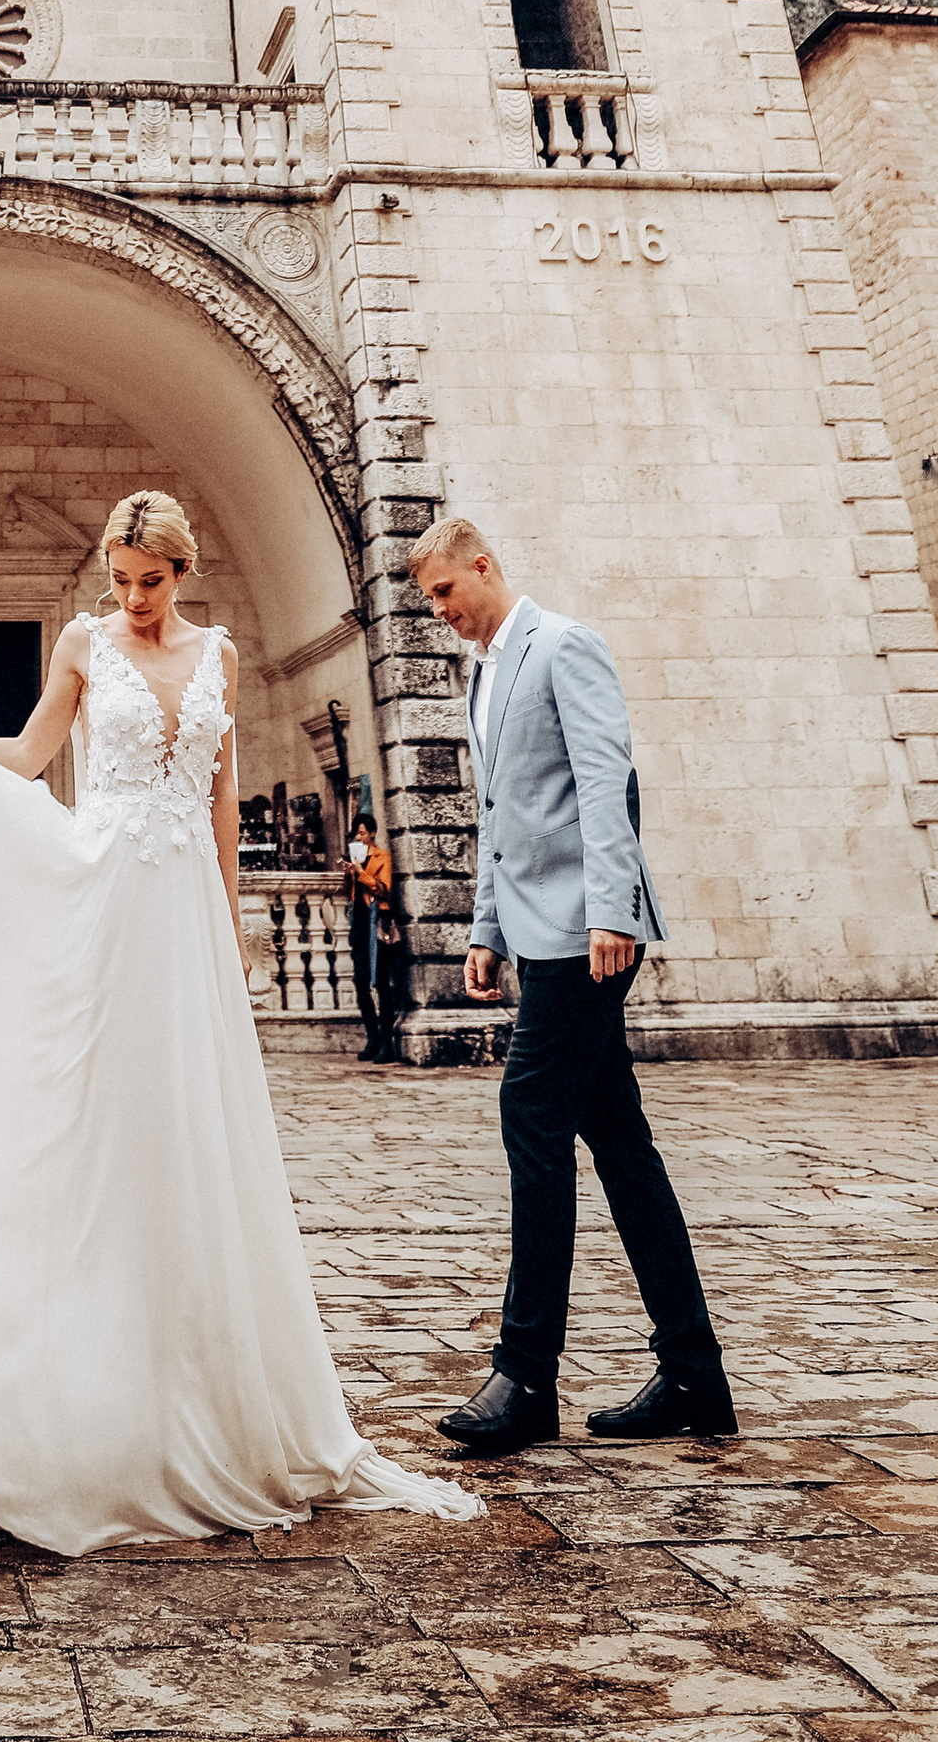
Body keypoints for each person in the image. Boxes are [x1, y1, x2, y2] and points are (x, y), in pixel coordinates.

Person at [0, 486, 480, 1552]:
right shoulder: (81, 641)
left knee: (187, 1144)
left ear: (179, 574)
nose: (134, 600)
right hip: (100, 896)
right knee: (84, 1134)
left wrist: (227, 932)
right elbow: (26, 759)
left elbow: (216, 805)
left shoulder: (220, 657)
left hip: (182, 922)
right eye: (119, 580)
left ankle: (209, 1397)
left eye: (150, 583)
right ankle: (68, 1402)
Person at [409, 513, 735, 1457]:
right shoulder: (483, 675)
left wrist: (614, 907)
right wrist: (483, 927)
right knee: (622, 1145)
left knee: (531, 1118)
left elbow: (605, 781)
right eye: (429, 601)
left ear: (484, 565)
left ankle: (525, 1377)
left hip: (587, 932)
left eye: (445, 593)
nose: (441, 614)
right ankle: (693, 1374)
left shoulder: (564, 647)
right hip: (537, 929)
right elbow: (500, 814)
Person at [346, 798, 403, 1064]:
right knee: (360, 982)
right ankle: (372, 1037)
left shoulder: (382, 857)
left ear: (371, 833)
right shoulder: (356, 856)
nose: (359, 837)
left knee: (381, 982)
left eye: (362, 832)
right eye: (356, 833)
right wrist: (350, 872)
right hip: (360, 924)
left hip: (377, 923)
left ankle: (386, 1041)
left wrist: (361, 873)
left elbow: (383, 889)